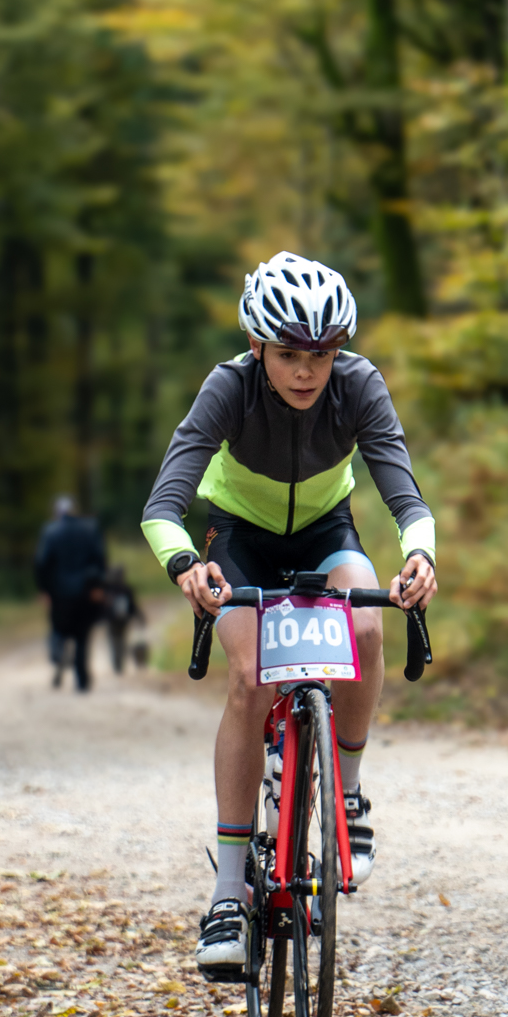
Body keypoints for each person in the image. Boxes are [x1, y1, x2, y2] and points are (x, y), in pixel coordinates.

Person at [140, 251, 437, 978]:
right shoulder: (229, 387)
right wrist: (186, 566)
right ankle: (226, 894)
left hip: (326, 531)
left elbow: (404, 491)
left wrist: (420, 554)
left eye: (321, 355)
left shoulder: (359, 385)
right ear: (257, 347)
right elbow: (162, 507)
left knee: (365, 627)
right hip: (238, 540)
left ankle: (348, 791)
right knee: (252, 678)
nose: (306, 371)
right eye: (288, 355)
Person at [34, 497, 107, 692]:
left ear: (57, 513)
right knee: (82, 636)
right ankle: (82, 680)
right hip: (85, 592)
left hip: (59, 594)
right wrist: (99, 586)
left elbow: (41, 563)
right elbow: (99, 559)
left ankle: (59, 657)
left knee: (59, 629)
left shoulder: (50, 531)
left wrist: (44, 589)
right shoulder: (90, 529)